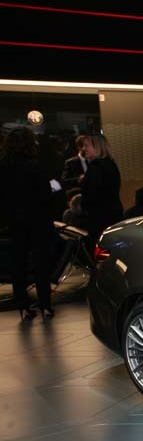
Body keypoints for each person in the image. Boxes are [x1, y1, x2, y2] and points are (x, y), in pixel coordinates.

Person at [0, 127, 55, 321]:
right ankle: (45, 305)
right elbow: (46, 194)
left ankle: (23, 307)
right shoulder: (35, 165)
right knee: (41, 264)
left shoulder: (3, 166)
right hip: (37, 219)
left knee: (18, 264)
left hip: (14, 221)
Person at [80, 134, 123, 244]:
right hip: (113, 215)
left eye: (86, 145)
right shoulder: (110, 163)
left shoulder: (96, 167)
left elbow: (93, 195)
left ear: (97, 147)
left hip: (99, 218)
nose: (83, 148)